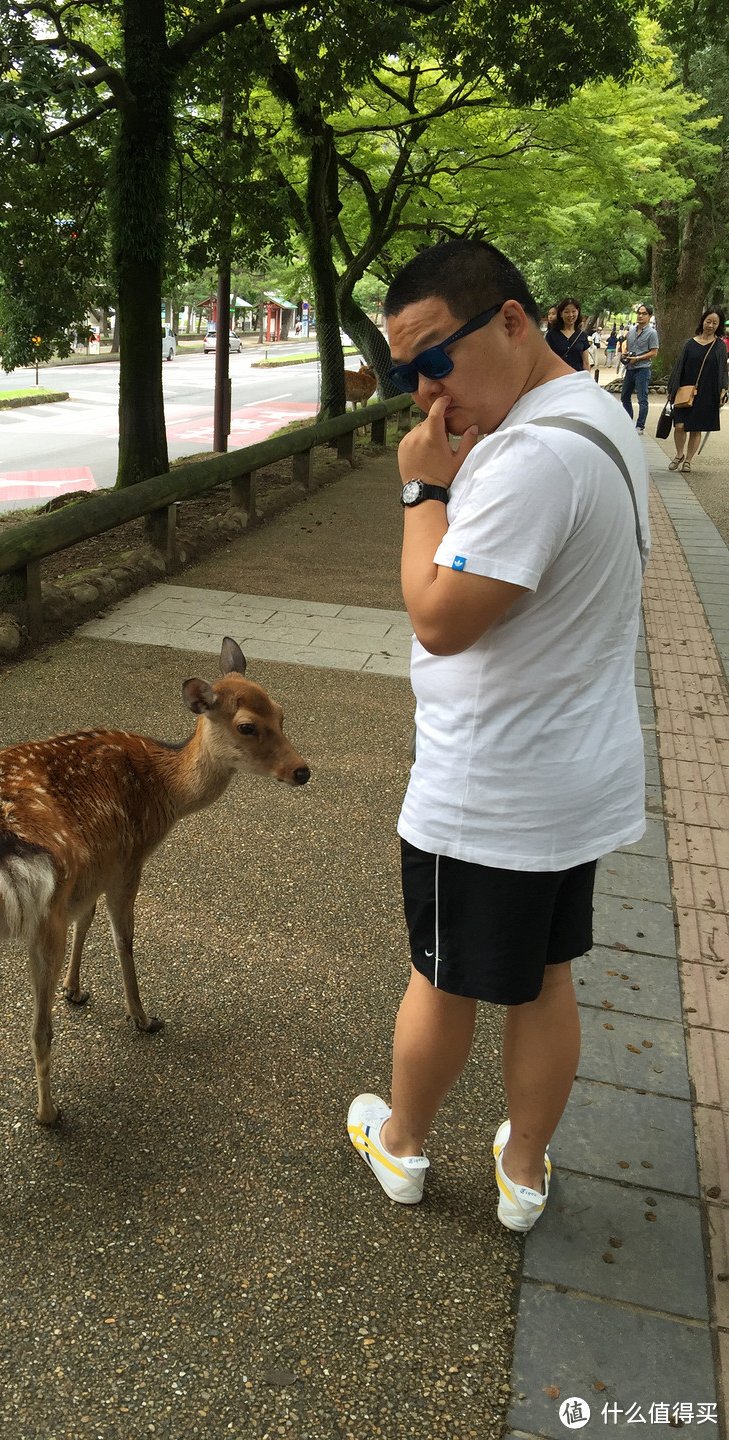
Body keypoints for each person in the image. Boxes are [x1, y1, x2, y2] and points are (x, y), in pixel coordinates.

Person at [346, 239, 648, 1233]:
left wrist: (421, 489)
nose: (423, 392)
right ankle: (523, 1175)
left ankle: (401, 1147)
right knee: (545, 976)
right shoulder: (597, 418)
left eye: (436, 358)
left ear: (513, 321)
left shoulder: (529, 457)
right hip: (572, 773)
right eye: (404, 374)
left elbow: (438, 614)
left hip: (491, 785)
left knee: (443, 977)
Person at [666, 308, 729, 472]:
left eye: (715, 323)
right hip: (684, 389)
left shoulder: (720, 346)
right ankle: (679, 454)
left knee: (696, 427)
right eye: (708, 321)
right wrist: (672, 388)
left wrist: (723, 390)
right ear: (702, 321)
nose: (711, 325)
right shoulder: (689, 343)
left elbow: (723, 369)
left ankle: (688, 460)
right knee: (679, 425)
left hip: (707, 392)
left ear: (719, 325)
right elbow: (679, 367)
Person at [620, 304, 659, 431]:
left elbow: (654, 352)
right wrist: (626, 356)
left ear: (649, 316)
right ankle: (628, 421)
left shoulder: (652, 333)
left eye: (644, 313)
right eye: (639, 313)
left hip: (642, 369)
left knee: (642, 398)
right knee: (625, 396)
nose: (640, 316)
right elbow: (629, 349)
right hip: (630, 369)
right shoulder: (631, 332)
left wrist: (637, 358)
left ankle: (640, 425)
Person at [545, 297, 592, 374]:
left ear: (578, 312)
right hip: (558, 378)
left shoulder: (582, 335)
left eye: (573, 311)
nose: (570, 315)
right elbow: (547, 360)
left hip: (577, 379)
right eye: (566, 312)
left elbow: (586, 363)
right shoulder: (551, 335)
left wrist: (588, 381)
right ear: (561, 314)